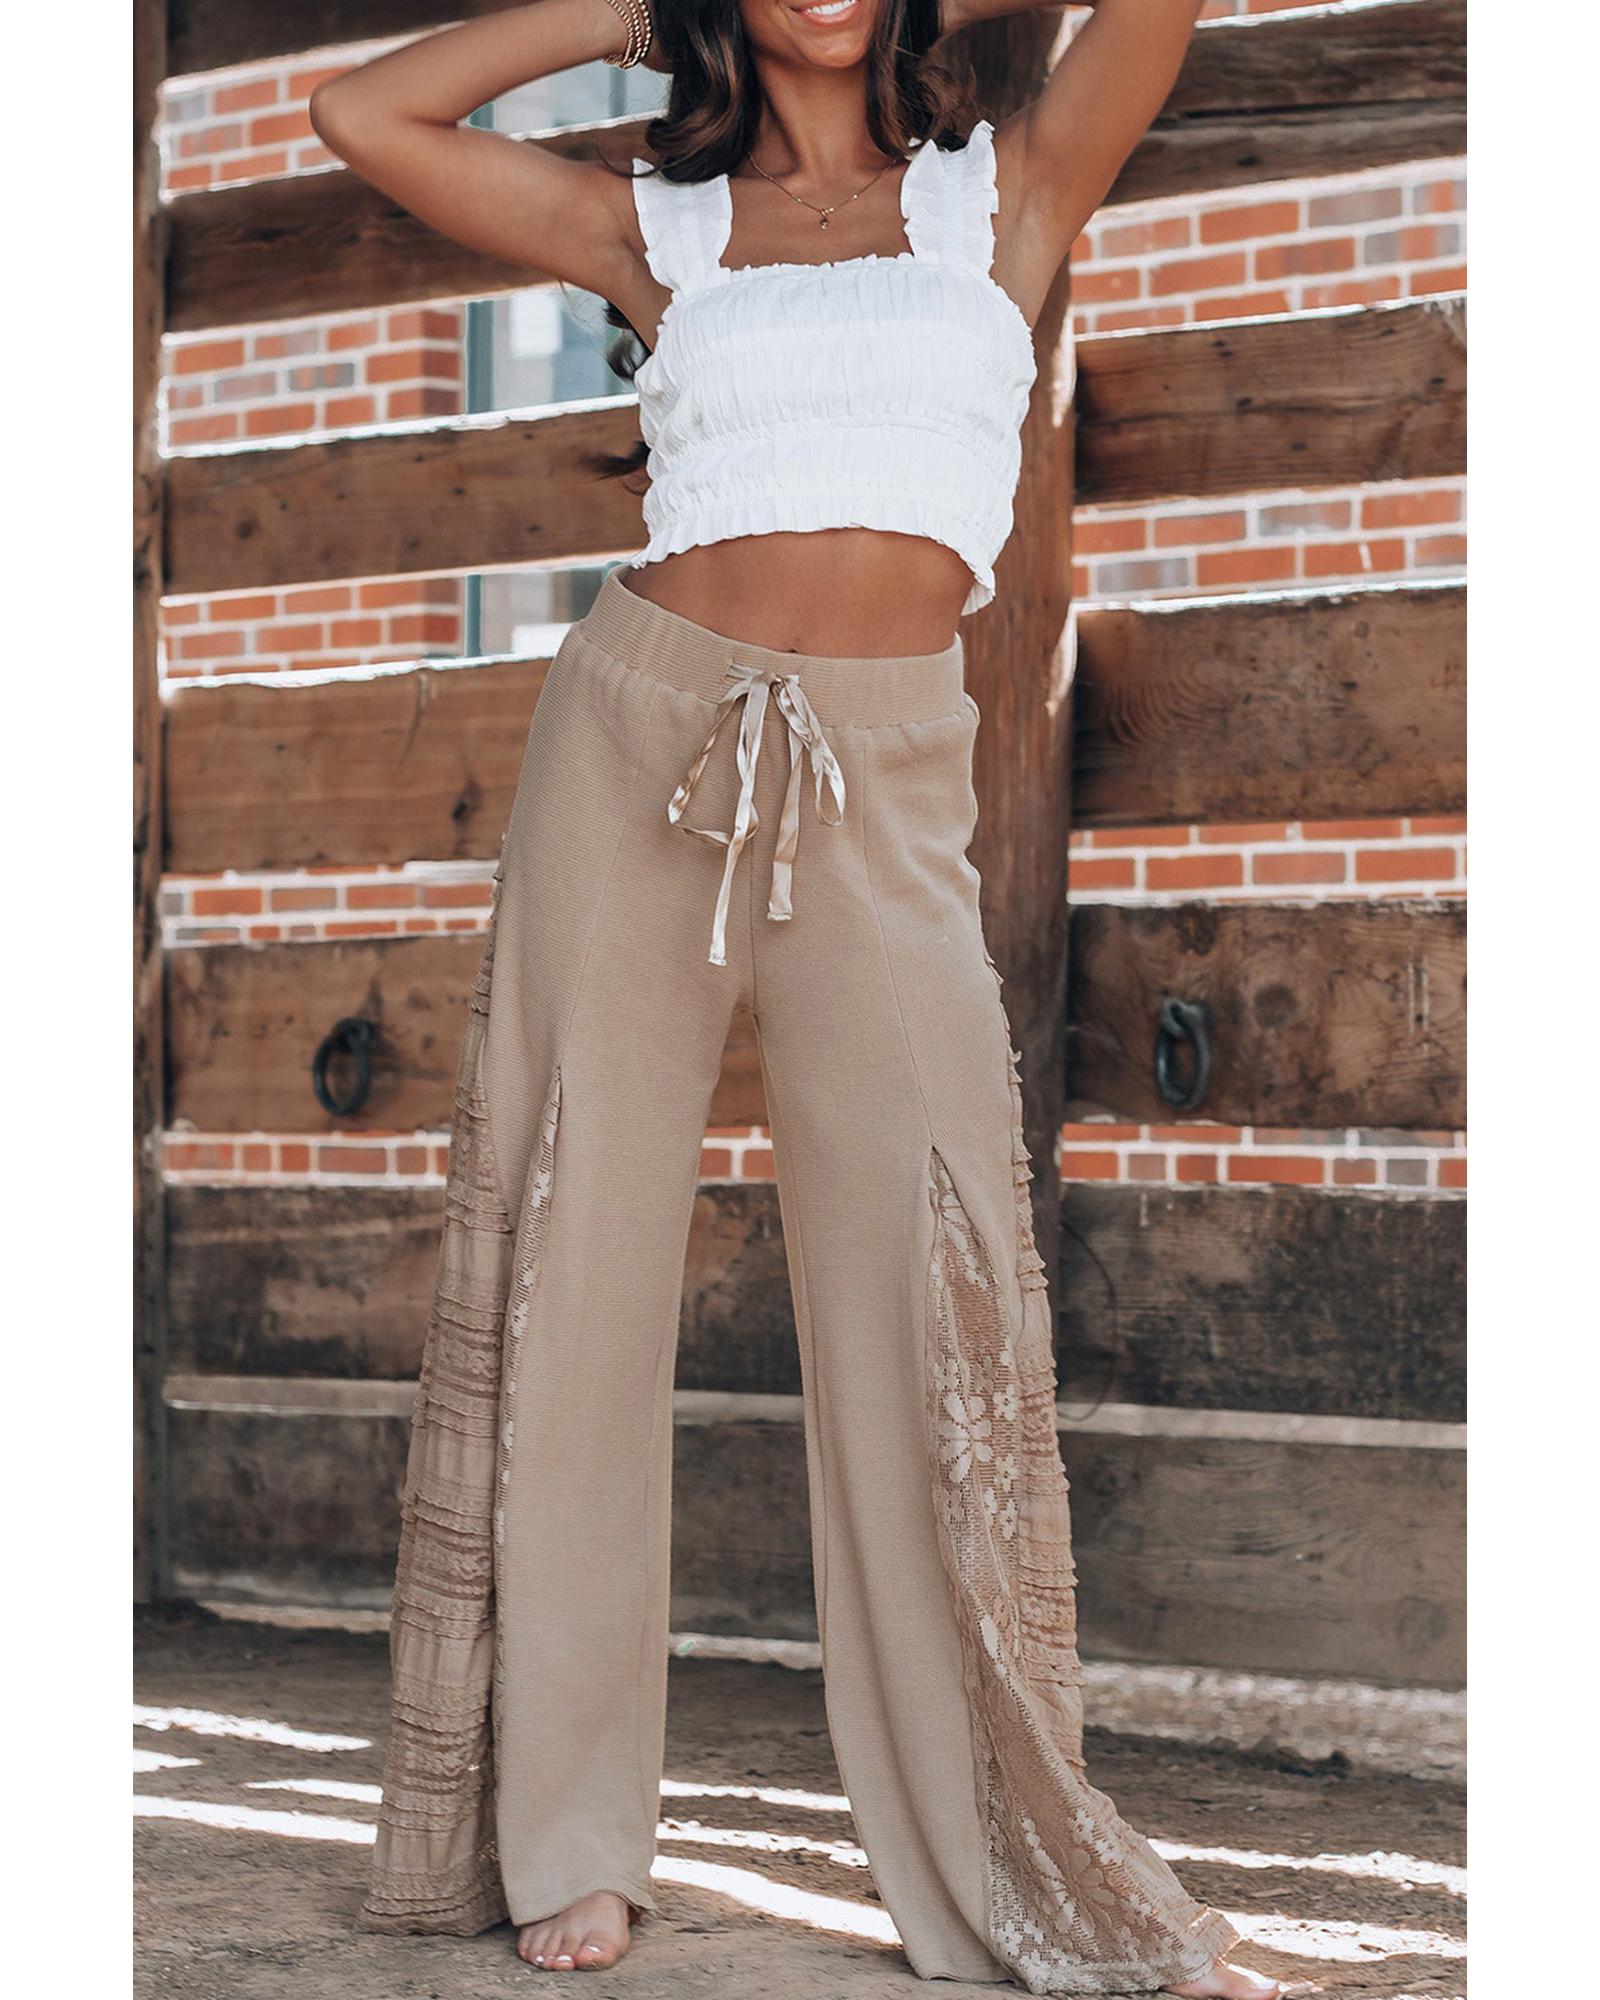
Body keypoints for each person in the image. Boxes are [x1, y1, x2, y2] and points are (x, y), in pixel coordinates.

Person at [310, 3, 1280, 1993]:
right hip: (640, 734)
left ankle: (997, 1858)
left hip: (886, 767)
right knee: (575, 1261)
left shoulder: (1005, 190)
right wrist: (624, 9)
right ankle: (565, 1830)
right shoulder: (648, 223)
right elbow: (357, 109)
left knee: (933, 1275)